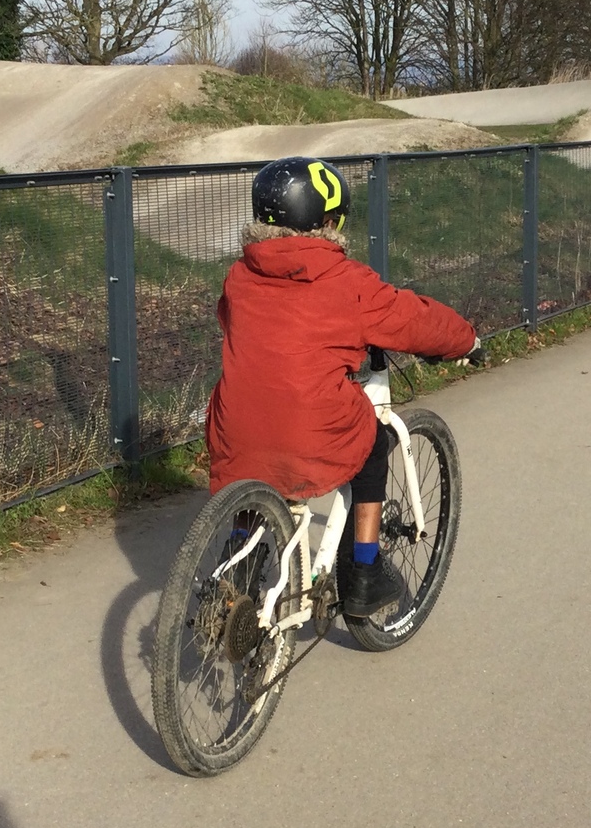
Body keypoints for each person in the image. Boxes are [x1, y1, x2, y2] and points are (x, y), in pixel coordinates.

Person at [205, 156, 478, 617]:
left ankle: (241, 563)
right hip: (308, 432)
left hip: (235, 429)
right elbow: (415, 320)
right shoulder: (346, 281)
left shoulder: (239, 276)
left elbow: (232, 323)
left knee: (256, 451)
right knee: (372, 444)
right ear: (326, 222)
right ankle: (364, 573)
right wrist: (466, 340)